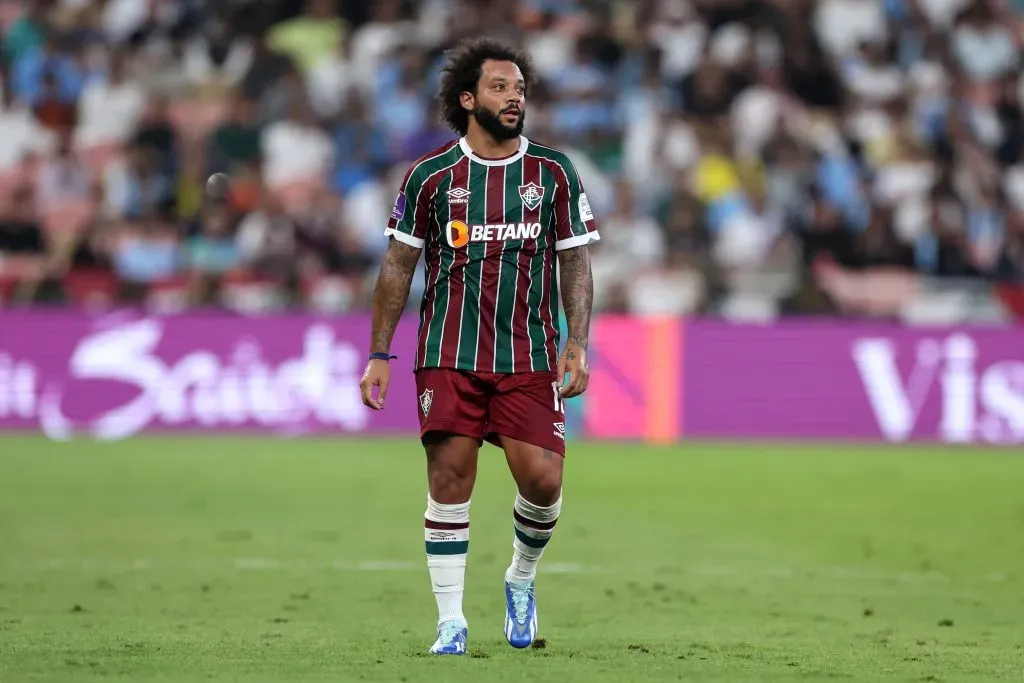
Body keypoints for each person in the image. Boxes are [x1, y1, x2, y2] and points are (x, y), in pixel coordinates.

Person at [359, 38, 599, 655]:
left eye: (519, 88)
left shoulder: (553, 172)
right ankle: (451, 622)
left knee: (543, 480)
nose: (514, 97)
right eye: (500, 87)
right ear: (467, 99)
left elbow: (576, 263)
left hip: (528, 354)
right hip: (449, 352)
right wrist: (379, 354)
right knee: (448, 477)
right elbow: (396, 267)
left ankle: (520, 577)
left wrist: (578, 342)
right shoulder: (431, 177)